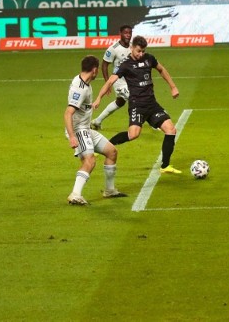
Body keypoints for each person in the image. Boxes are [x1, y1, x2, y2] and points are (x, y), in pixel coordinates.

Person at [93, 35, 182, 175]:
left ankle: (165, 166)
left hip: (152, 104)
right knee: (133, 134)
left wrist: (173, 87)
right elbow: (110, 81)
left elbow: (161, 69)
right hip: (137, 105)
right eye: (138, 51)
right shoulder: (125, 64)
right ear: (132, 48)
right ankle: (103, 146)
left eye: (143, 51)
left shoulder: (149, 58)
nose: (141, 54)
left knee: (171, 130)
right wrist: (98, 98)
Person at [65, 55, 127, 205]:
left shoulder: (84, 82)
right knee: (90, 161)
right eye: (97, 69)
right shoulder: (80, 89)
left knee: (112, 152)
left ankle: (110, 190)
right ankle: (75, 194)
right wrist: (72, 136)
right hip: (78, 130)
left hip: (85, 129)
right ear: (94, 70)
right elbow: (68, 113)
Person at [91, 25, 132, 131]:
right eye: (125, 33)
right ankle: (154, 122)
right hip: (119, 82)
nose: (128, 35)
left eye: (129, 33)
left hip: (131, 81)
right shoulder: (113, 49)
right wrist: (108, 83)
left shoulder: (132, 47)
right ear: (120, 33)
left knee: (120, 102)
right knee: (137, 99)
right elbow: (104, 65)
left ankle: (97, 121)